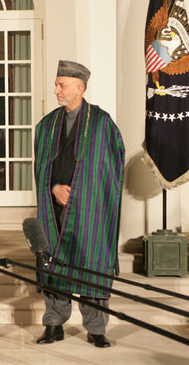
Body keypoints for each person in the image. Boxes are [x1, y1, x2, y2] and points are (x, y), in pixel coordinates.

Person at [34, 60, 125, 348]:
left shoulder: (102, 123)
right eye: (57, 84)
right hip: (55, 207)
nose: (57, 90)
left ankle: (96, 328)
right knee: (54, 262)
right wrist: (52, 188)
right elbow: (39, 167)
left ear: (80, 87)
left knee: (91, 262)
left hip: (91, 209)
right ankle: (54, 324)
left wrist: (87, 192)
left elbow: (113, 168)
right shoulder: (47, 124)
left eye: (62, 85)